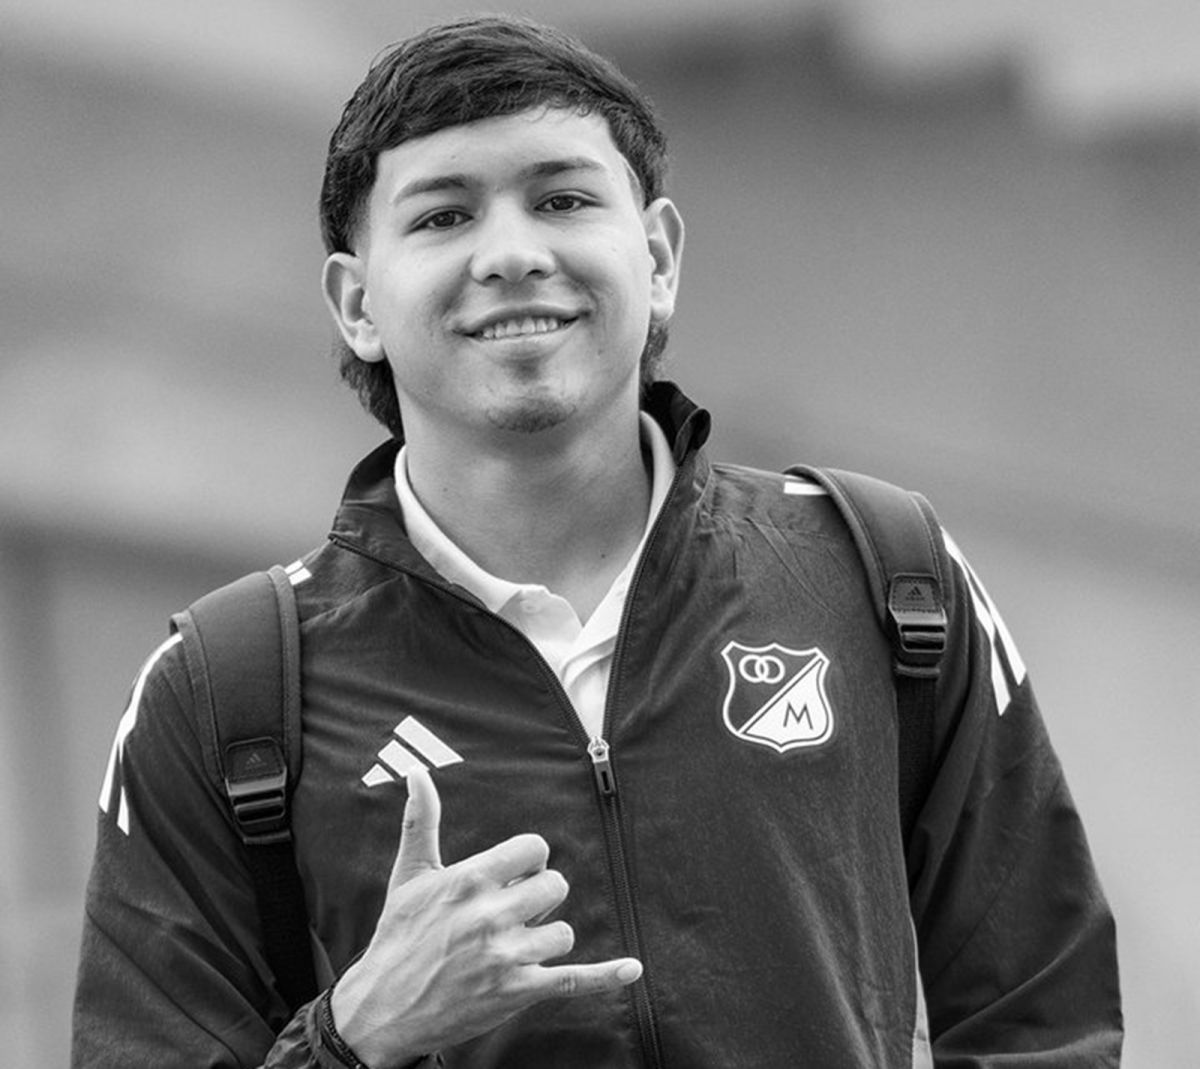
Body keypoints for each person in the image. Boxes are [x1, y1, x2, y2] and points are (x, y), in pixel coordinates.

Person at [72, 14, 1122, 1068]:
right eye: (443, 216)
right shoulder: (225, 693)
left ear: (657, 257)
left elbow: (1045, 1021)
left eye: (563, 200)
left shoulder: (881, 575)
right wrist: (352, 1036)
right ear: (357, 305)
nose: (512, 255)